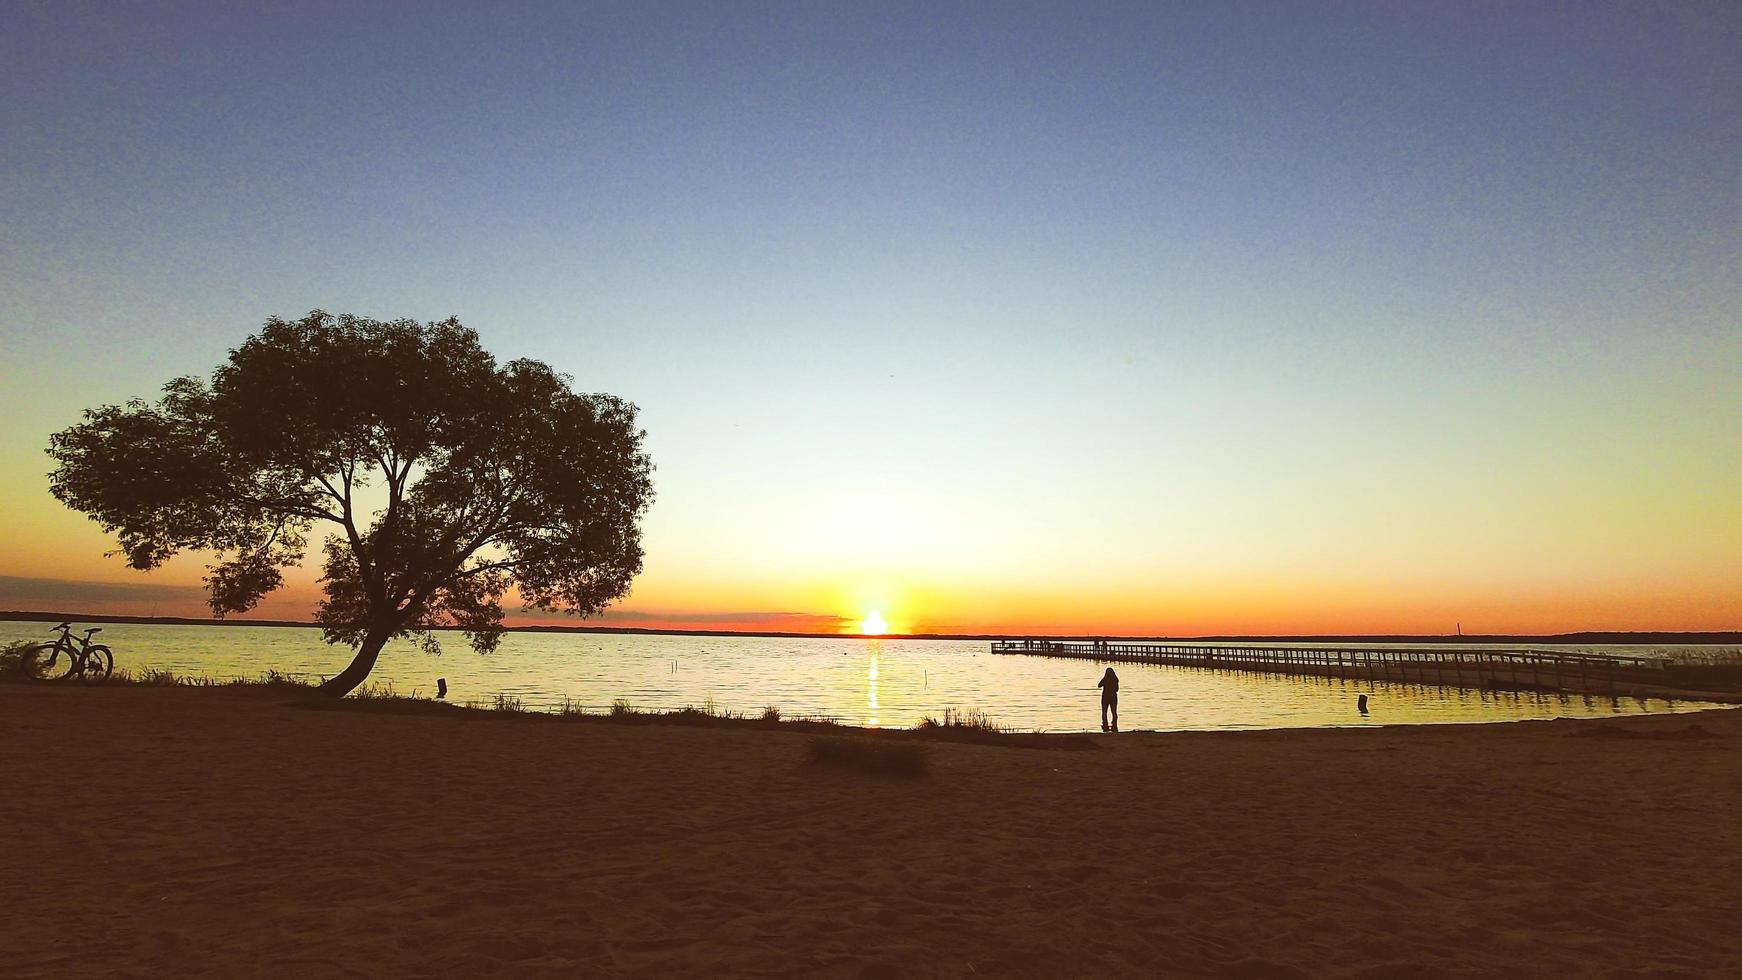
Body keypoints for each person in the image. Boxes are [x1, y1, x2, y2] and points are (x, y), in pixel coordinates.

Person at [1097, 667, 1120, 732]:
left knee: (1104, 712)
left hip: (1105, 697)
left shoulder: (1105, 679)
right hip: (1113, 697)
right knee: (1114, 712)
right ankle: (1114, 725)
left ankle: (1105, 725)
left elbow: (1099, 685)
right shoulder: (1115, 680)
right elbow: (1117, 689)